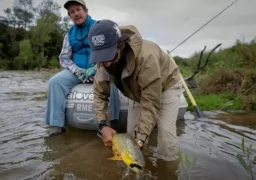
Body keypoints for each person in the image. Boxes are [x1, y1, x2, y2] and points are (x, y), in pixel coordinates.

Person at [88, 19, 183, 161]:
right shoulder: (103, 63)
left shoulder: (147, 57)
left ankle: (168, 170)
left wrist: (141, 139)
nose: (106, 63)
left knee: (165, 139)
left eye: (110, 56)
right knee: (131, 138)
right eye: (101, 58)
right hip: (137, 92)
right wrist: (103, 125)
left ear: (122, 44)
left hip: (167, 86)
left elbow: (150, 103)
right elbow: (100, 95)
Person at [44, 1, 120, 138]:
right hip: (77, 71)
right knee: (55, 82)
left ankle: (108, 125)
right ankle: (57, 126)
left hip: (99, 68)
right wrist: (77, 70)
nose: (76, 14)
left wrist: (96, 68)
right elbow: (64, 58)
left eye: (78, 9)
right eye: (72, 12)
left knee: (112, 81)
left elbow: (110, 51)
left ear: (86, 11)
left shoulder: (99, 27)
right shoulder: (69, 35)